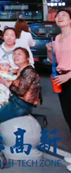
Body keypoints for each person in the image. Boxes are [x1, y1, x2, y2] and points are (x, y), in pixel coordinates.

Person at [0, 47, 41, 126]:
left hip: (21, 105)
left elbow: (21, 91)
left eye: (19, 54)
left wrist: (5, 82)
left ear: (27, 58)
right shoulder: (17, 71)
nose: (16, 56)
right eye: (14, 54)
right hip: (13, 101)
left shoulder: (29, 71)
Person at [47, 9, 71, 140]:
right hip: (61, 78)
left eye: (64, 15)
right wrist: (49, 50)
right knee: (67, 113)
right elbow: (53, 60)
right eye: (58, 16)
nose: (60, 17)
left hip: (68, 76)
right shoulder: (57, 38)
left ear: (70, 20)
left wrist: (68, 75)